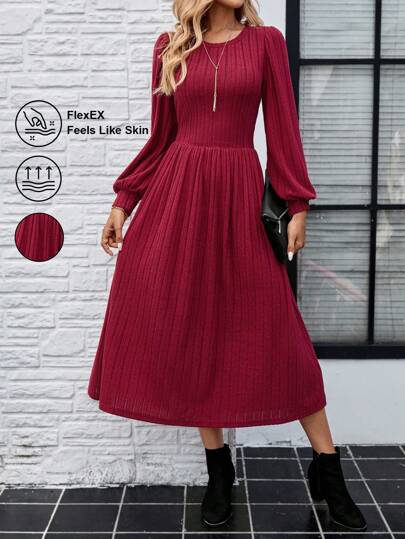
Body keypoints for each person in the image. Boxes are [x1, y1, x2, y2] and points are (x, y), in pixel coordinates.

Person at [87, 0, 367, 531]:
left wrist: (298, 203)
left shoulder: (266, 44)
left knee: (281, 336)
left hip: (239, 198)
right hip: (177, 199)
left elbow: (282, 128)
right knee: (195, 333)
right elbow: (161, 140)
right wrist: (124, 202)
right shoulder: (170, 47)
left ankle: (328, 468)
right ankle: (219, 470)